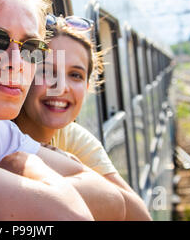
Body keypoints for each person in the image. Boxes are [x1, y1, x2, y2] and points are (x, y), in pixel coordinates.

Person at [0, 0, 127, 220]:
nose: (17, 61)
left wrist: (25, 167)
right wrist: (25, 165)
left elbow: (113, 202)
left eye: (31, 47)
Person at [14, 15, 152, 220]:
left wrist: (75, 166)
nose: (61, 87)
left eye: (75, 75)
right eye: (46, 71)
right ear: (25, 74)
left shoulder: (73, 137)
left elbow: (139, 215)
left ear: (87, 87)